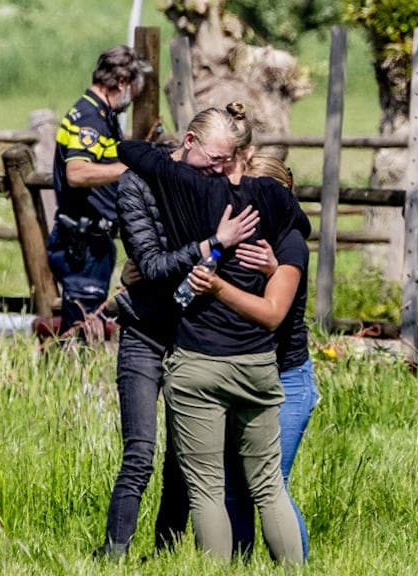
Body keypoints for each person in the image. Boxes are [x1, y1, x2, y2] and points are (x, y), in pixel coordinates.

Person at [117, 105, 310, 564]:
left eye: (222, 160)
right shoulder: (277, 200)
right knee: (268, 486)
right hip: (258, 363)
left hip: (199, 358)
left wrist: (214, 270)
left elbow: (132, 151)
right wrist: (273, 263)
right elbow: (300, 228)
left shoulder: (195, 191)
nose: (217, 168)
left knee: (207, 488)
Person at [95, 125, 260, 558]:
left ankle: (165, 554)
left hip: (192, 332)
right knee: (140, 451)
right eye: (214, 158)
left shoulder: (211, 185)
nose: (218, 169)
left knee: (181, 457)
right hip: (145, 329)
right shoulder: (137, 183)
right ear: (189, 142)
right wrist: (211, 244)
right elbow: (150, 264)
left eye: (225, 161)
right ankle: (114, 553)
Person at [192, 156, 317, 561]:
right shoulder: (235, 235)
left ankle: (297, 564)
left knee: (270, 484)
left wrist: (271, 271)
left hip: (286, 376)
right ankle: (239, 563)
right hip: (242, 371)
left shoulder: (289, 242)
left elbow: (274, 311)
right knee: (233, 486)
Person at [47, 45, 153, 340]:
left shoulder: (100, 113)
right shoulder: (90, 118)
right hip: (83, 245)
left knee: (85, 325)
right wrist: (131, 168)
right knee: (83, 332)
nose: (135, 97)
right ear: (122, 81)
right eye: (135, 89)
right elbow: (77, 173)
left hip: (92, 240)